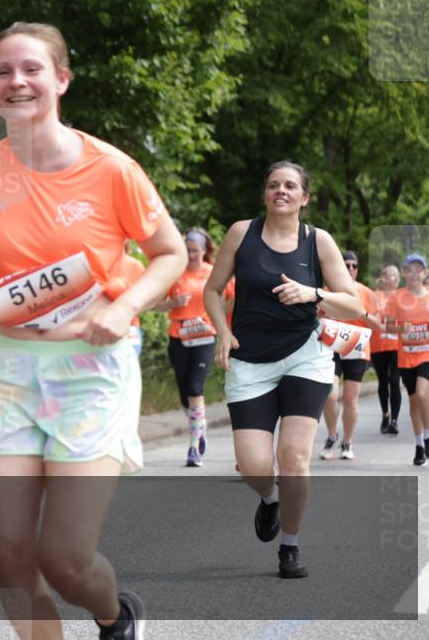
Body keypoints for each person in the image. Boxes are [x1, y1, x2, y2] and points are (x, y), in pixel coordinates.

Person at [0, 22, 186, 640]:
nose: (16, 81)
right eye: (3, 72)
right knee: (10, 560)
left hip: (90, 372)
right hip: (8, 370)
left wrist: (123, 309)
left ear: (61, 80)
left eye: (31, 69)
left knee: (63, 560)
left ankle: (117, 615)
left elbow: (169, 254)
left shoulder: (112, 169)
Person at [203, 160, 362, 579]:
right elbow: (213, 289)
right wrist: (222, 331)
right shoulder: (242, 233)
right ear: (265, 194)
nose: (281, 191)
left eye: (291, 186)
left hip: (305, 356)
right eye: (274, 185)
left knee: (293, 455)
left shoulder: (318, 240)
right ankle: (271, 499)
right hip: (250, 359)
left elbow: (355, 304)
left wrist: (312, 293)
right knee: (253, 466)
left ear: (304, 197)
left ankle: (289, 547)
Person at [154, 227, 233, 466]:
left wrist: (215, 317)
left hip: (204, 336)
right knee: (183, 395)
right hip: (178, 336)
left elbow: (232, 297)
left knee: (195, 388)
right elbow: (155, 304)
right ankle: (200, 429)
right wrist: (172, 303)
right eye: (187, 250)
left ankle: (193, 447)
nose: (190, 255)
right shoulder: (175, 273)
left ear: (204, 251)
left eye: (195, 251)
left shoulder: (213, 273)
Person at [318, 250, 379, 460]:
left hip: (356, 347)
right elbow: (313, 318)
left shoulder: (366, 293)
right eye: (346, 265)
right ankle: (332, 436)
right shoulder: (327, 291)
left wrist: (363, 313)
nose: (350, 269)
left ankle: (347, 441)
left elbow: (378, 324)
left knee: (350, 399)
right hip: (332, 347)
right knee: (330, 395)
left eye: (354, 266)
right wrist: (320, 314)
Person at [383, 253, 429, 466]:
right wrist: (399, 328)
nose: (414, 273)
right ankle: (419, 446)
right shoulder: (397, 298)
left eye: (419, 269)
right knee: (414, 400)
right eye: (410, 269)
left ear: (425, 272)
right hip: (406, 356)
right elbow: (388, 326)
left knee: (423, 393)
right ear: (405, 273)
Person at [371, 264, 403, 434]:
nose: (395, 278)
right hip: (378, 344)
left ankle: (395, 421)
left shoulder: (403, 296)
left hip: (397, 346)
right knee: (383, 381)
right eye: (392, 275)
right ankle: (386, 414)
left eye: (397, 275)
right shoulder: (374, 296)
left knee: (395, 381)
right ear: (383, 278)